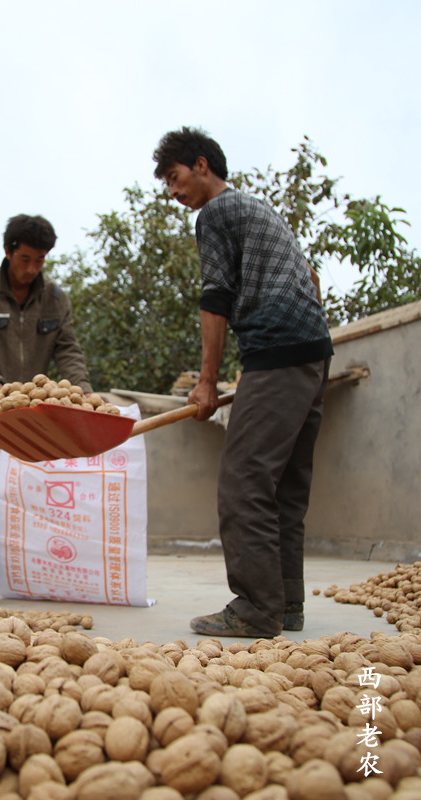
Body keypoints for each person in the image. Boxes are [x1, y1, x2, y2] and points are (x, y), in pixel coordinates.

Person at [152, 127, 334, 637]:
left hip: (276, 352)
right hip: (315, 354)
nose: (173, 191)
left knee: (244, 479)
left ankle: (256, 609)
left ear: (202, 165)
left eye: (174, 176)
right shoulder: (261, 210)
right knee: (286, 487)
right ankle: (287, 604)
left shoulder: (215, 213)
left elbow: (216, 297)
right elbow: (311, 278)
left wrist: (207, 382)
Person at [0, 214, 93, 607]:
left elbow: (69, 350)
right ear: (8, 251)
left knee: (38, 496)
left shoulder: (56, 299)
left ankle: (41, 576)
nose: (32, 268)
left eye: (40, 261)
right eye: (26, 259)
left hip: (34, 417)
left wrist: (83, 396)